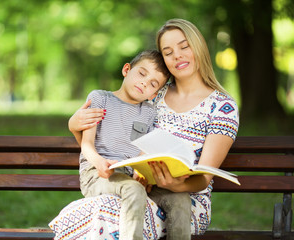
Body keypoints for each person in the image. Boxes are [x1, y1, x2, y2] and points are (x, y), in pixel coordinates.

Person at [68, 18, 240, 239]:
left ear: (199, 46)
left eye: (184, 46)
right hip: (136, 186)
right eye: (168, 52)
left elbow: (204, 179)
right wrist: (74, 126)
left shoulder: (222, 107)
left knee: (109, 215)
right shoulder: (153, 93)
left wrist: (175, 186)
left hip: (187, 199)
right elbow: (110, 135)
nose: (177, 55)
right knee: (112, 210)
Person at [78, 49, 170, 240]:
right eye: (142, 73)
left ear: (155, 94)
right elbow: (86, 144)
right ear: (126, 69)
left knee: (180, 201)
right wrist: (99, 162)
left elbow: (145, 150)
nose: (145, 82)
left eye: (153, 83)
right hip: (98, 174)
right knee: (133, 189)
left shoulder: (149, 112)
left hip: (130, 176)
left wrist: (143, 170)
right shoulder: (100, 98)